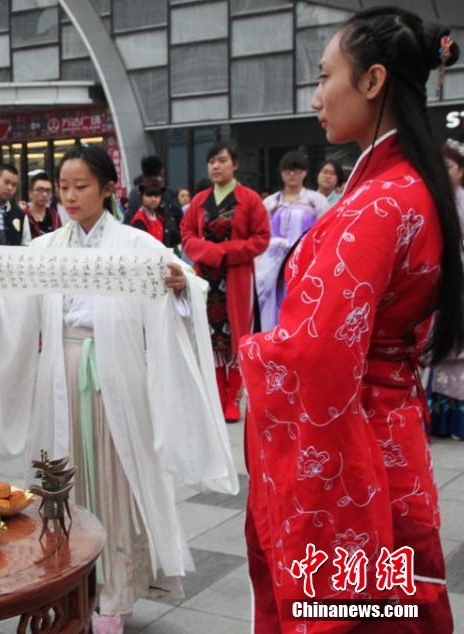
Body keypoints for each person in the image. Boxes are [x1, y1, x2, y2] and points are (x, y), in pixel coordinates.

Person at [0, 145, 237, 634]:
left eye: (81, 187)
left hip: (115, 378)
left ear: (107, 189)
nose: (71, 197)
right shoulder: (43, 249)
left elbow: (191, 287)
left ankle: (115, 595)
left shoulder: (137, 245)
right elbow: (9, 310)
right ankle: (68, 586)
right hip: (57, 373)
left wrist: (181, 286)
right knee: (61, 485)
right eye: (63, 188)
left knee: (114, 482)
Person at [241, 10, 461, 632]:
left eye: (324, 75)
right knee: (390, 604)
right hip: (386, 430)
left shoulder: (382, 201)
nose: (315, 96)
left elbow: (315, 352)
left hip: (354, 435)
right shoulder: (402, 187)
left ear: (372, 82)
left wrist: (255, 353)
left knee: (352, 610)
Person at [180, 140, 270, 423]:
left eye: (221, 160)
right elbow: (186, 236)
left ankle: (234, 396)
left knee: (235, 336)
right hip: (206, 280)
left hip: (235, 279)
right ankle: (218, 395)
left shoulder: (250, 199)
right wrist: (209, 252)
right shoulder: (199, 200)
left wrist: (225, 253)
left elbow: (261, 238)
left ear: (235, 164)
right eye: (212, 162)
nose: (215, 166)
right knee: (211, 336)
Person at [255, 151, 329, 331]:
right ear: (281, 174)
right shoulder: (270, 202)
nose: (292, 175)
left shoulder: (316, 201)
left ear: (305, 173)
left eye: (297, 171)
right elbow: (260, 233)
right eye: (288, 171)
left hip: (305, 261)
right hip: (272, 265)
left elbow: (325, 232)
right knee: (271, 306)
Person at [430, 138, 464, 439]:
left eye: (450, 166)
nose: (444, 170)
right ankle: (438, 417)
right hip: (438, 278)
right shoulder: (433, 198)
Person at [0, 164, 29, 246]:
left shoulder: (20, 214)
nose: (10, 188)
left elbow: (26, 244)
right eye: (6, 182)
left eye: (14, 185)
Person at [22, 172, 62, 239]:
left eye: (48, 190)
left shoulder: (55, 216)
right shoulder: (23, 216)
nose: (44, 194)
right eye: (40, 190)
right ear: (30, 193)